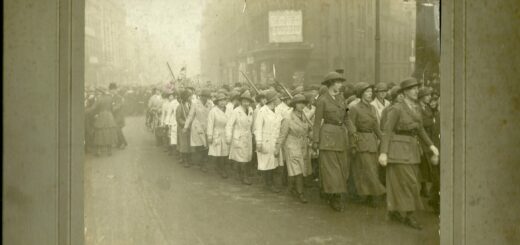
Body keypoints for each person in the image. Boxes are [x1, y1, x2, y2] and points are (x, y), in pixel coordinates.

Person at [379, 77, 440, 230]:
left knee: (411, 182)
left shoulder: (417, 108)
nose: (416, 91)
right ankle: (409, 215)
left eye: (417, 88)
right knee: (407, 183)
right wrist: (384, 153)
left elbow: (420, 129)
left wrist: (431, 145)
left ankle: (396, 211)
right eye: (413, 88)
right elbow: (387, 131)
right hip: (398, 150)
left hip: (412, 150)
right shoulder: (397, 108)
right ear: (405, 92)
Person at [312, 72, 355, 212]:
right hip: (328, 137)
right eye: (338, 82)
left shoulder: (342, 99)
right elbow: (317, 122)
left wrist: (353, 132)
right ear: (331, 84)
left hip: (341, 137)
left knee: (342, 168)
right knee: (331, 170)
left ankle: (331, 192)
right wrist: (316, 141)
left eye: (340, 82)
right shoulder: (322, 100)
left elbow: (347, 117)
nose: (340, 85)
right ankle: (334, 197)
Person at [349, 82, 386, 207]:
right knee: (365, 170)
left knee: (372, 170)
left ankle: (368, 195)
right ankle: (373, 194)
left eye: (371, 92)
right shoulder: (354, 108)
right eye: (367, 92)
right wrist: (353, 145)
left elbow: (376, 127)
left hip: (371, 142)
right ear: (361, 94)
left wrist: (385, 140)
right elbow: (351, 127)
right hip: (361, 141)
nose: (370, 94)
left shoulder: (372, 108)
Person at [276, 94, 313, 203]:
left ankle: (292, 188)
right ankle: (300, 193)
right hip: (291, 145)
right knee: (298, 171)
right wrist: (277, 148)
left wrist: (312, 137)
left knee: (301, 169)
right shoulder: (288, 118)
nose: (302, 105)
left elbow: (309, 129)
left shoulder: (304, 116)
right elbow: (282, 135)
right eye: (299, 103)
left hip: (303, 145)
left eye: (303, 103)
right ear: (294, 105)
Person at [254, 90, 284, 193]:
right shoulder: (262, 111)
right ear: (273, 100)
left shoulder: (277, 110)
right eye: (277, 98)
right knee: (266, 164)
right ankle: (268, 184)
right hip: (265, 140)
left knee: (273, 163)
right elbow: (258, 128)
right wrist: (259, 142)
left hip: (274, 140)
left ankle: (270, 183)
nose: (279, 100)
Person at [226, 90, 255, 185]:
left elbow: (252, 124)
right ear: (241, 101)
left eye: (248, 101)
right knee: (242, 158)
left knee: (246, 157)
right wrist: (229, 137)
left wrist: (254, 134)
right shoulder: (236, 111)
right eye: (244, 101)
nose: (246, 103)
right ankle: (244, 177)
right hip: (238, 136)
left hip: (248, 136)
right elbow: (229, 125)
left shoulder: (251, 110)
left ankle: (240, 173)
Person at [183, 89, 212, 172]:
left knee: (206, 146)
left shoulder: (210, 104)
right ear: (200, 96)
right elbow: (190, 115)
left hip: (207, 126)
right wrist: (186, 126)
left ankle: (203, 163)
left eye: (207, 97)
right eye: (203, 96)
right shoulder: (195, 104)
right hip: (197, 126)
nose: (205, 98)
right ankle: (201, 162)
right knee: (200, 146)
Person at [87, 87, 118, 156]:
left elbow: (93, 108)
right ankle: (109, 151)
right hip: (109, 116)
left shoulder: (99, 98)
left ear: (100, 92)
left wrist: (86, 111)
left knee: (99, 133)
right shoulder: (110, 98)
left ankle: (99, 151)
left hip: (101, 115)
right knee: (109, 132)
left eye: (98, 92)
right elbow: (112, 108)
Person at [207, 93, 231, 179]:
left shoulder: (229, 110)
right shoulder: (213, 111)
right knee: (219, 152)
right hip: (217, 132)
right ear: (217, 102)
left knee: (225, 152)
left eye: (224, 100)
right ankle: (222, 169)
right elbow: (210, 124)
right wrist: (209, 136)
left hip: (226, 132)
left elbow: (230, 123)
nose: (222, 102)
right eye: (220, 101)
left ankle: (220, 167)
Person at [418, 87, 435, 198]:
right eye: (427, 95)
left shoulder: (427, 107)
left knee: (426, 163)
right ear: (422, 97)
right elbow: (421, 123)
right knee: (422, 162)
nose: (429, 97)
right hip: (420, 138)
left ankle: (424, 187)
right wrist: (431, 122)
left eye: (429, 95)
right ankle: (422, 187)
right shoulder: (417, 108)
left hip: (428, 137)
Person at [176, 89, 193, 167]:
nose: (191, 97)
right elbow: (178, 118)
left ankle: (189, 159)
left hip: (191, 127)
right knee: (184, 144)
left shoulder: (191, 105)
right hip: (183, 128)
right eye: (190, 96)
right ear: (186, 97)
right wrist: (185, 124)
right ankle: (185, 159)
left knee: (189, 144)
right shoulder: (180, 106)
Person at [109, 83, 127, 149]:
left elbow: (119, 106)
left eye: (113, 90)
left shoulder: (119, 97)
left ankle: (123, 143)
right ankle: (120, 143)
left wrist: (112, 109)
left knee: (117, 128)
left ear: (116, 90)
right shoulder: (111, 97)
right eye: (111, 90)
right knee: (117, 129)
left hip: (119, 116)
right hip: (114, 115)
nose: (112, 91)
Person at [163, 91, 179, 156]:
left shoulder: (182, 102)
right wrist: (166, 123)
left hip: (179, 122)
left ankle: (178, 151)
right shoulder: (172, 103)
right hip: (173, 121)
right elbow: (169, 114)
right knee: (172, 136)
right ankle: (172, 150)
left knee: (178, 137)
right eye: (177, 96)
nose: (178, 97)